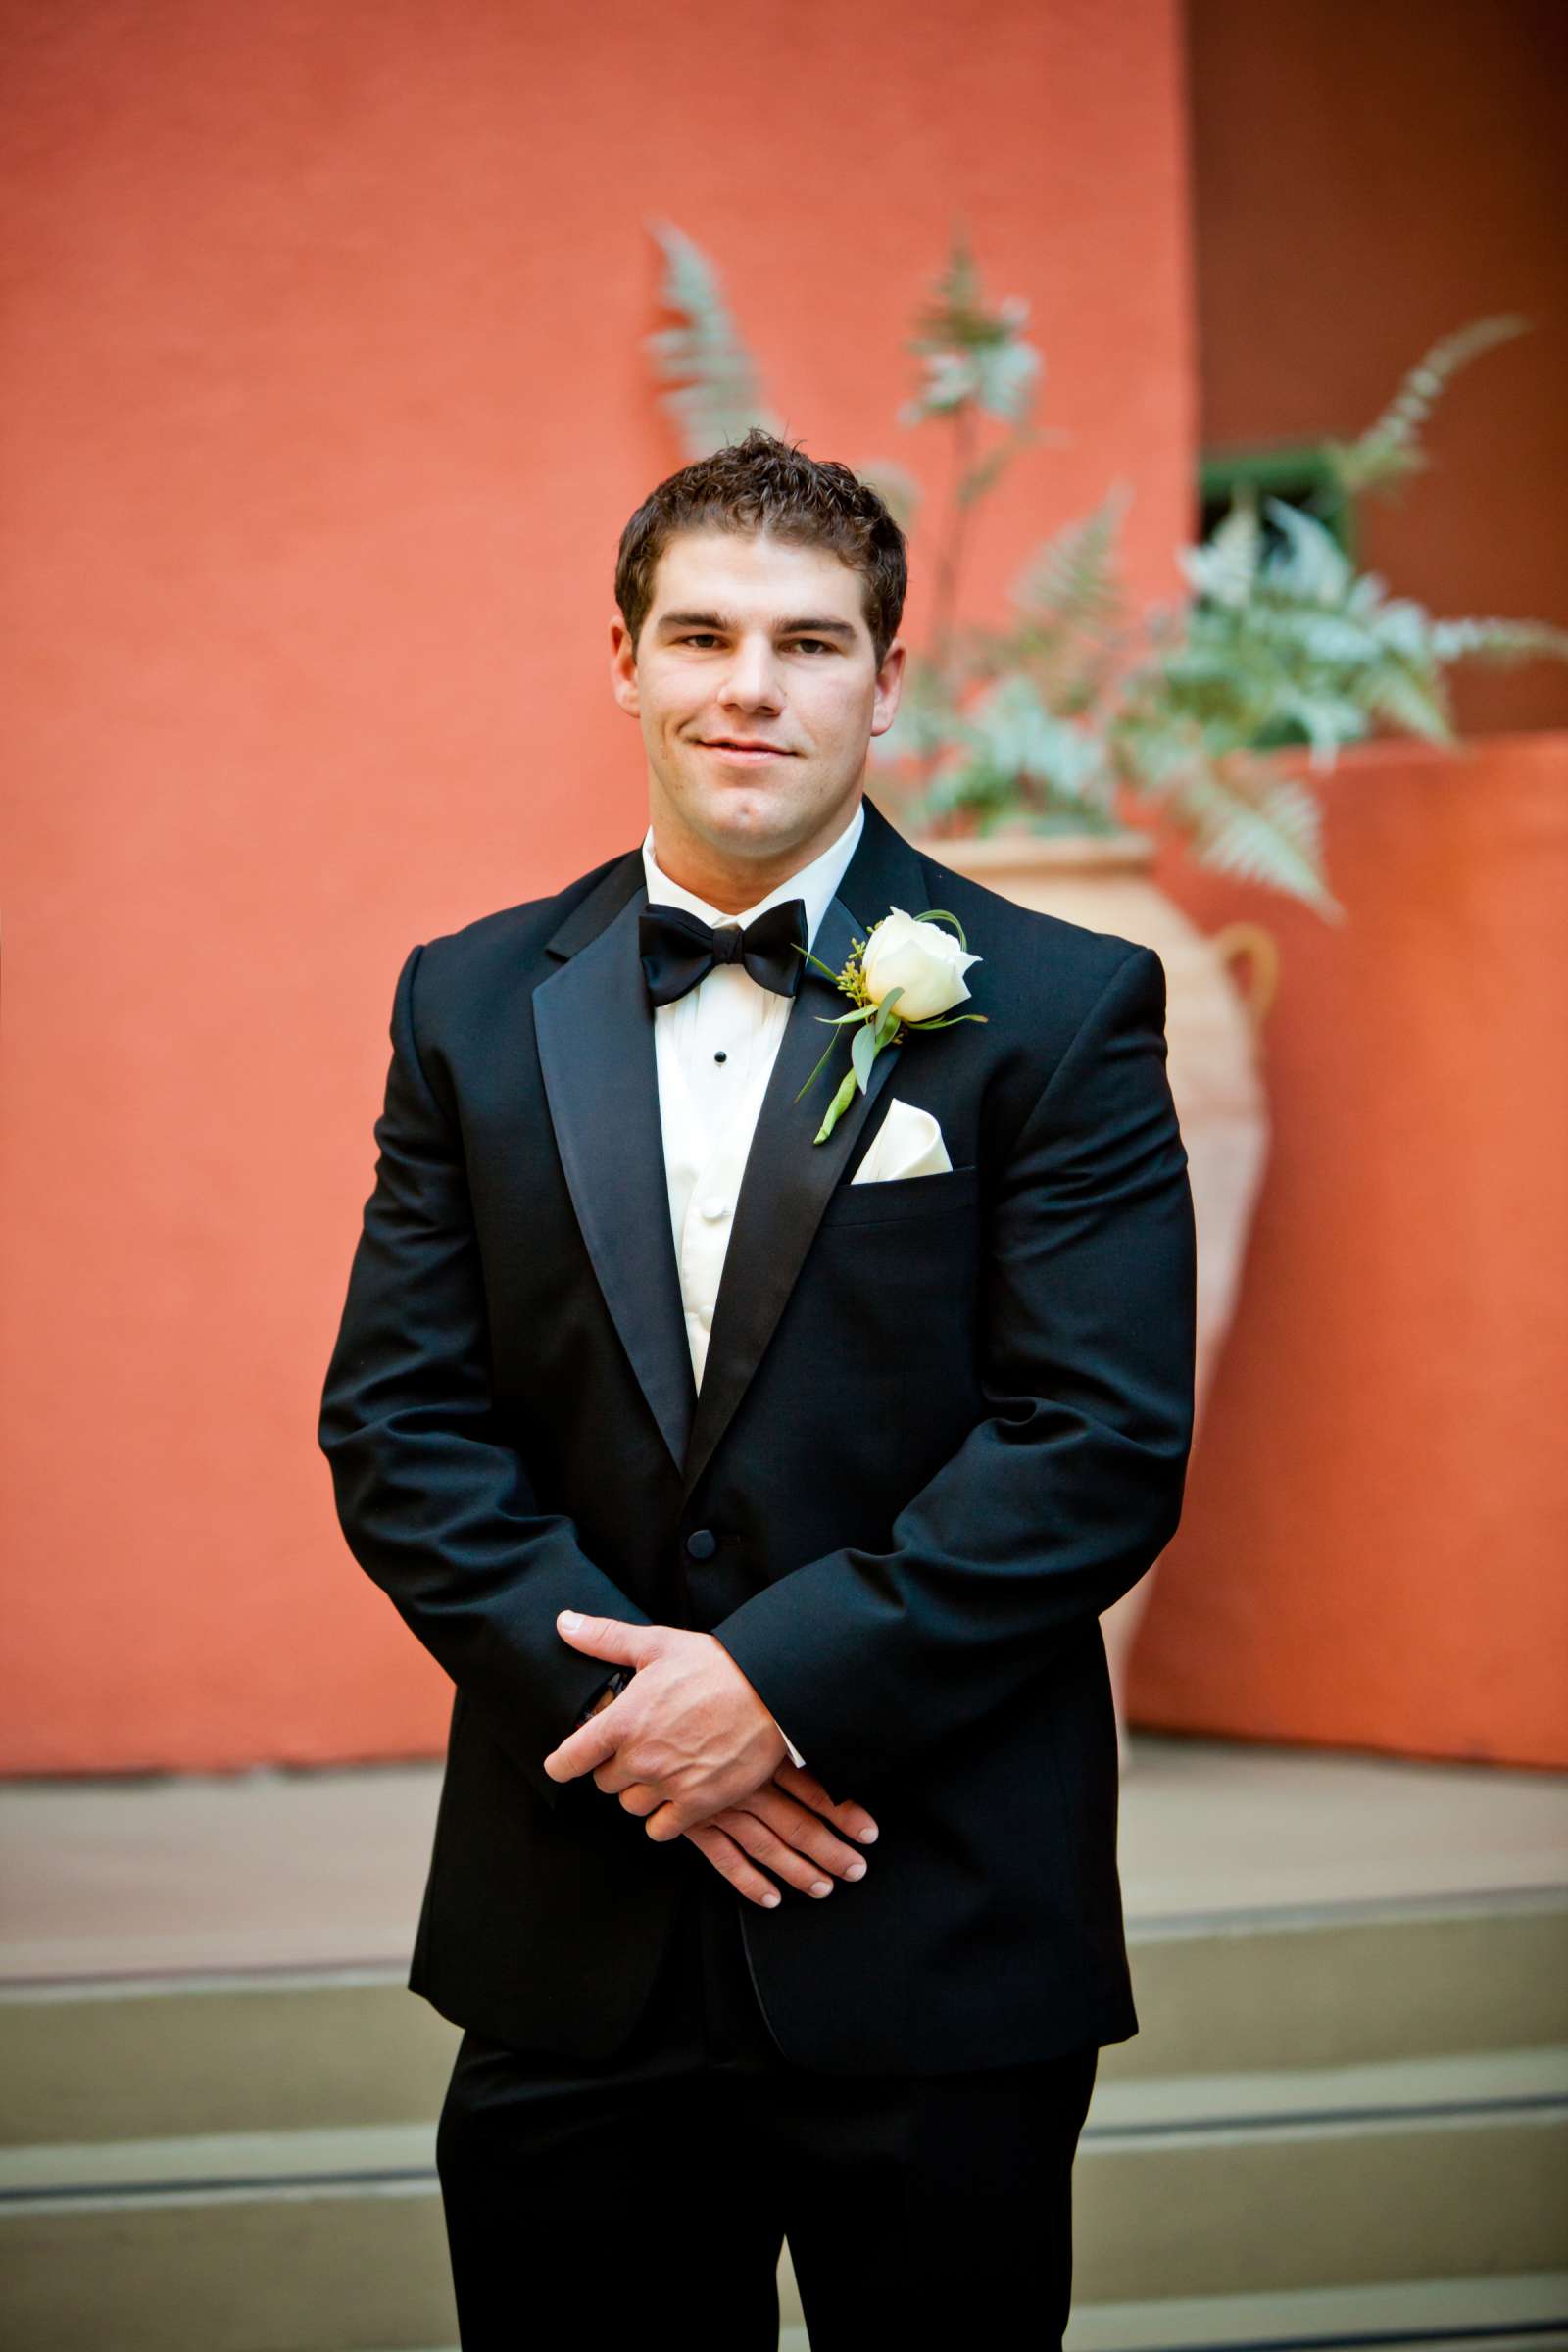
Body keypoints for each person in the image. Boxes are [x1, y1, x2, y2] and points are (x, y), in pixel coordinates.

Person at [318, 427, 1197, 2350]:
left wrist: (779, 1686)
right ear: (619, 659)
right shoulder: (463, 1003)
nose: (747, 686)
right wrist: (646, 1727)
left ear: (888, 678)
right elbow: (401, 1421)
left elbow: (1096, 1440)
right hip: (575, 1923)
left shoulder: (1057, 1006)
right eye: (701, 632)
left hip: (932, 1914)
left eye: (807, 643)